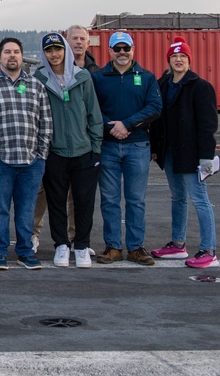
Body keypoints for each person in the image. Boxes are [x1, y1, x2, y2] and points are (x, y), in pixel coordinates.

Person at [0, 37, 52, 270]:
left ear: (21, 55)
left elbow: (45, 122)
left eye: (16, 51)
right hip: (0, 161)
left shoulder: (36, 85)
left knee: (26, 210)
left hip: (31, 161)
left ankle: (25, 252)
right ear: (0, 57)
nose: (12, 56)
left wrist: (41, 155)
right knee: (0, 209)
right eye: (7, 52)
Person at [91, 31, 161, 266]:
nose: (122, 52)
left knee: (136, 200)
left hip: (137, 146)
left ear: (133, 49)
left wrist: (127, 124)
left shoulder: (147, 77)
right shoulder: (98, 77)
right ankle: (112, 246)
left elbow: (154, 107)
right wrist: (111, 127)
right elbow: (90, 108)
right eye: (117, 48)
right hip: (109, 147)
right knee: (109, 199)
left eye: (126, 48)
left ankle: (136, 247)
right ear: (109, 51)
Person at [33, 33, 103, 268]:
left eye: (58, 49)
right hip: (55, 152)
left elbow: (94, 114)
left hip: (83, 151)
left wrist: (95, 148)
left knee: (84, 201)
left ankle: (81, 245)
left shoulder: (82, 78)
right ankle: (61, 245)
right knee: (56, 201)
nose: (54, 54)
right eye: (49, 50)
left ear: (66, 51)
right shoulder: (40, 78)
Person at [149, 37, 220, 268]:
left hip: (192, 155)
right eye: (174, 56)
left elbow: (208, 124)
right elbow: (158, 120)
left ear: (189, 59)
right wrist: (155, 148)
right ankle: (178, 245)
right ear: (168, 60)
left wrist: (206, 157)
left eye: (182, 56)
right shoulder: (163, 84)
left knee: (200, 199)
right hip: (170, 153)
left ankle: (209, 249)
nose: (178, 60)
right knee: (177, 197)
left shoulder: (200, 87)